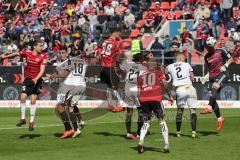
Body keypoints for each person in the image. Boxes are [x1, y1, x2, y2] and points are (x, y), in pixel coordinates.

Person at [1, 40, 47, 131]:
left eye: (42, 46)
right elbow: (16, 54)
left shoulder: (43, 56)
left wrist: (36, 78)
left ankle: (31, 122)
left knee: (33, 99)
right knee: (23, 97)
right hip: (28, 79)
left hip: (37, 80)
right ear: (35, 47)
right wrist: (5, 56)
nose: (42, 47)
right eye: (40, 46)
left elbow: (42, 70)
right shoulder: (26, 52)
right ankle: (23, 119)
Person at [44, 47, 86, 139]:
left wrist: (50, 76)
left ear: (67, 53)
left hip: (67, 87)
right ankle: (77, 126)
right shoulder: (82, 62)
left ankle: (69, 129)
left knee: (61, 107)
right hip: (81, 86)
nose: (60, 54)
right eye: (59, 52)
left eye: (62, 52)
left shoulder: (69, 62)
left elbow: (64, 74)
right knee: (71, 107)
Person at [137, 59, 174, 154]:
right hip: (156, 98)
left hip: (144, 99)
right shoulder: (158, 72)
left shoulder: (140, 76)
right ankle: (166, 144)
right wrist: (170, 95)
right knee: (161, 120)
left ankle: (141, 140)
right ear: (154, 66)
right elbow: (165, 83)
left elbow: (138, 91)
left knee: (146, 121)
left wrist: (140, 101)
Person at [202, 37, 233, 132]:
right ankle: (220, 119)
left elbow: (230, 58)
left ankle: (208, 107)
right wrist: (207, 75)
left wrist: (226, 65)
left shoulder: (221, 51)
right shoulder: (206, 57)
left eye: (210, 46)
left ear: (214, 44)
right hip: (212, 76)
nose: (209, 48)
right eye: (207, 47)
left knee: (214, 88)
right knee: (212, 97)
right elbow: (210, 68)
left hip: (223, 74)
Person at [166, 54, 198, 138]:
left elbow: (165, 72)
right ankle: (194, 132)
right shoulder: (187, 65)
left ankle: (178, 132)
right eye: (184, 58)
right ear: (181, 58)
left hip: (180, 89)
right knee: (193, 111)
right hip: (190, 87)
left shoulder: (170, 66)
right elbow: (192, 77)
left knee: (180, 111)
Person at [120, 53, 147, 140]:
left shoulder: (128, 64)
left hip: (127, 89)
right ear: (141, 59)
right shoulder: (143, 68)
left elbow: (120, 68)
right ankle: (139, 133)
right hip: (137, 90)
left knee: (129, 112)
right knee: (140, 111)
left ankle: (128, 132)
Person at [99, 29, 126, 112]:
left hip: (102, 67)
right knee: (115, 85)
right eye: (119, 33)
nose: (119, 35)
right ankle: (120, 105)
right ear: (115, 32)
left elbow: (101, 54)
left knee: (109, 86)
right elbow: (118, 56)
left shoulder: (104, 42)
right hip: (109, 67)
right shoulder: (115, 43)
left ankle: (110, 104)